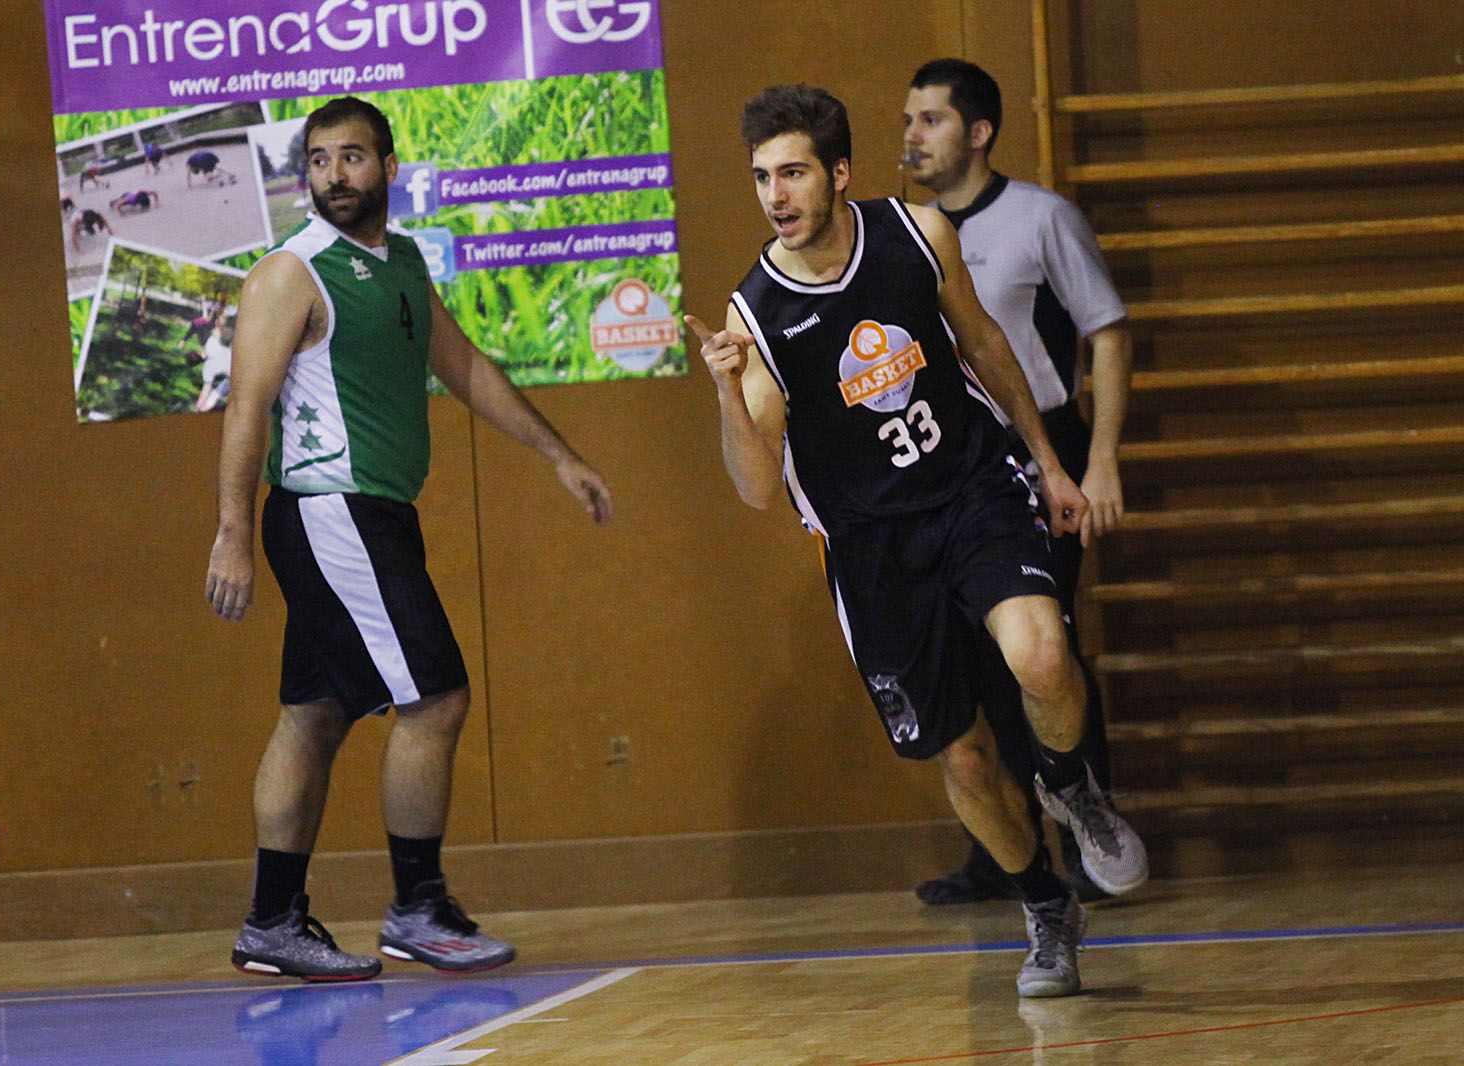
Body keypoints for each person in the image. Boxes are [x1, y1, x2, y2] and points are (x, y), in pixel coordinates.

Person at [687, 85, 1145, 998]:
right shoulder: (755, 316)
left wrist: (1051, 465)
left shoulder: (917, 232)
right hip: (870, 546)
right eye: (761, 178)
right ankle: (1045, 906)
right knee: (964, 755)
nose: (776, 194)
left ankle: (1070, 784)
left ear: (840, 173)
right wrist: (727, 392)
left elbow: (986, 348)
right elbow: (751, 487)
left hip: (973, 487)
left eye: (793, 173)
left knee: (1044, 658)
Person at [204, 96, 614, 982]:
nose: (333, 175)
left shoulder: (400, 261)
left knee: (312, 716)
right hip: (330, 509)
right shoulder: (292, 273)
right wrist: (232, 533)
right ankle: (417, 909)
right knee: (436, 699)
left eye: (352, 157)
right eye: (317, 160)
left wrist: (559, 455)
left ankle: (271, 923)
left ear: (389, 167)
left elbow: (462, 363)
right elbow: (247, 406)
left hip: (372, 513)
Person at [901, 59, 1133, 907]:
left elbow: (1107, 334)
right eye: (907, 120)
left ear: (979, 130)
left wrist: (1095, 459)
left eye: (930, 119)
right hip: (944, 463)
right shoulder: (902, 236)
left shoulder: (1042, 218)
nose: (912, 137)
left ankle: (1088, 845)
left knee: (1043, 649)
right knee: (967, 664)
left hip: (1038, 446)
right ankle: (1001, 854)